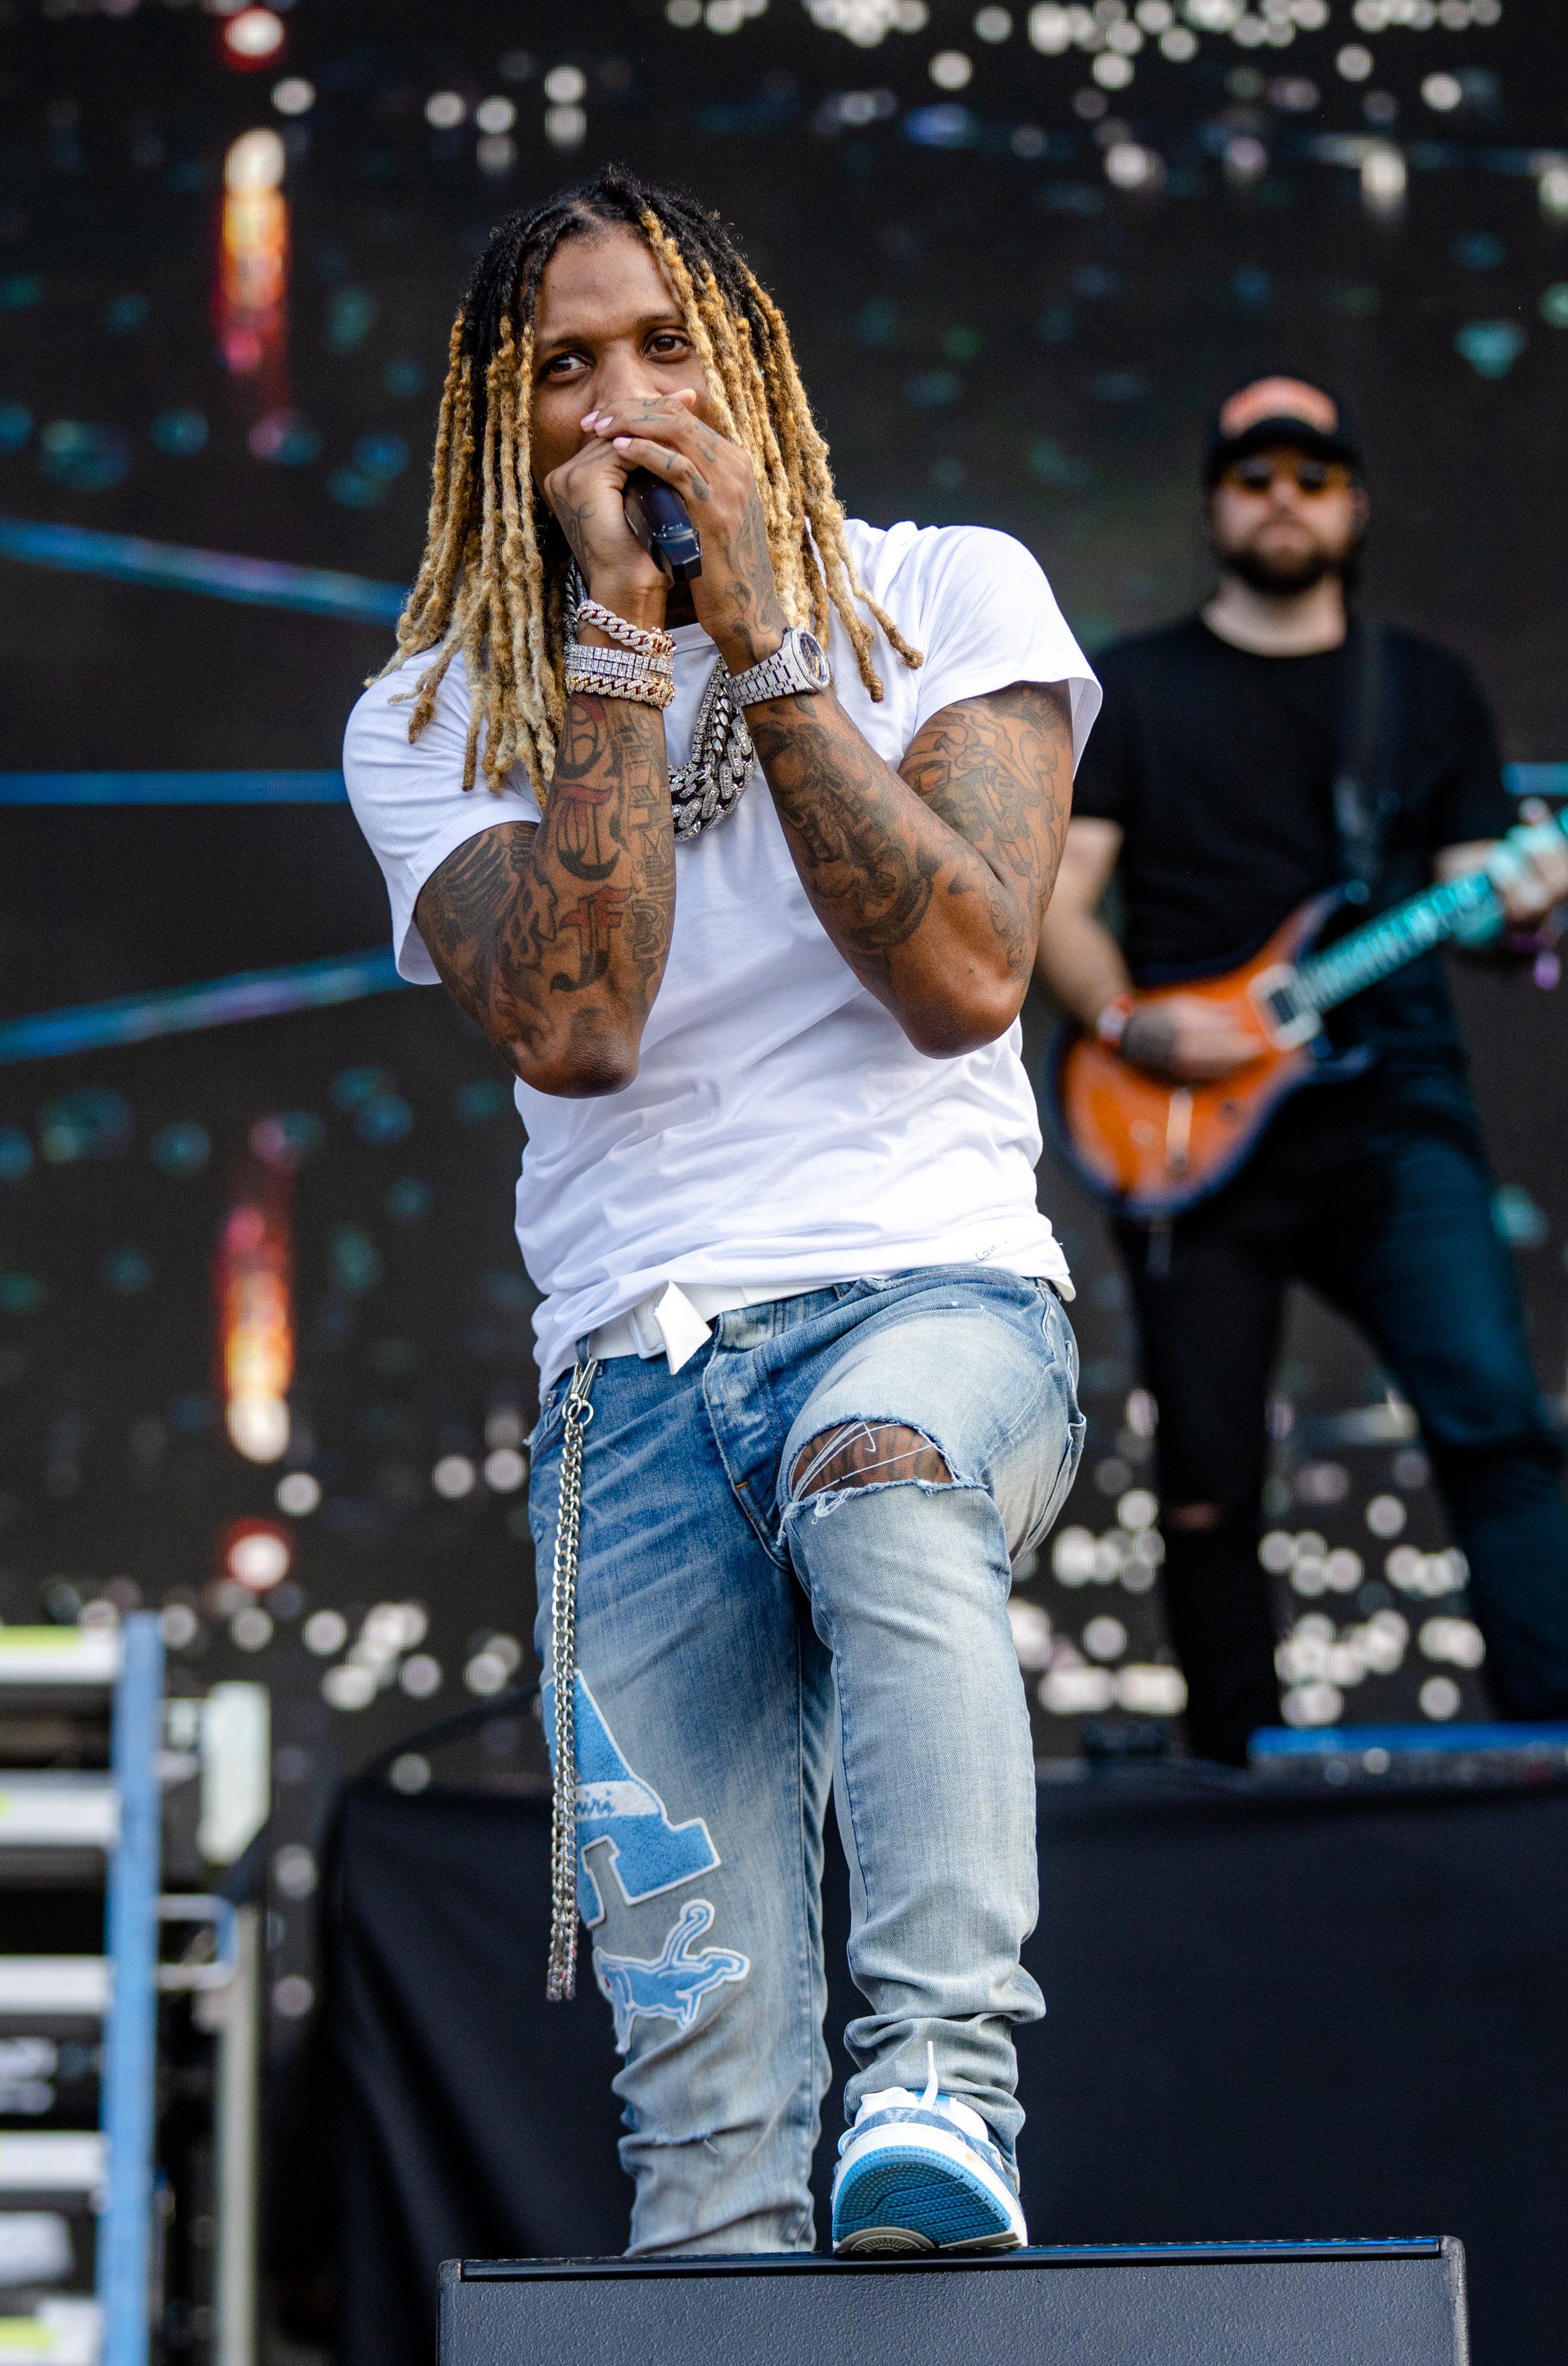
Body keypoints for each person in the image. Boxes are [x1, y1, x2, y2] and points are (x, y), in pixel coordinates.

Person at [339, 168, 1095, 2258]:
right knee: (702, 2141)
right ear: (506, 435)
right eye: (563, 371)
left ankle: (943, 2065)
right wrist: (617, 646)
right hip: (631, 1385)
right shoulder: (431, 711)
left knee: (880, 1478)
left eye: (666, 346)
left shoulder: (950, 594)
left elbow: (963, 975)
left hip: (926, 1291)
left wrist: (760, 629)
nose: (624, 404)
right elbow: (576, 1026)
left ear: (751, 368)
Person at [1035, 374, 1568, 1767]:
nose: (1281, 495)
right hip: (1187, 1121)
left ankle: (1565, 1760)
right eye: (1252, 473)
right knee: (1209, 1476)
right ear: (1214, 502)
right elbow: (1053, 892)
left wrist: (1532, 905)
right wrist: (1133, 1025)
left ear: (1353, 500)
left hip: (1392, 1109)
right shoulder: (1139, 686)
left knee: (1495, 1424)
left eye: (1311, 472)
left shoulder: (1422, 688)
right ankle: (1234, 1777)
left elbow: (1482, 894)